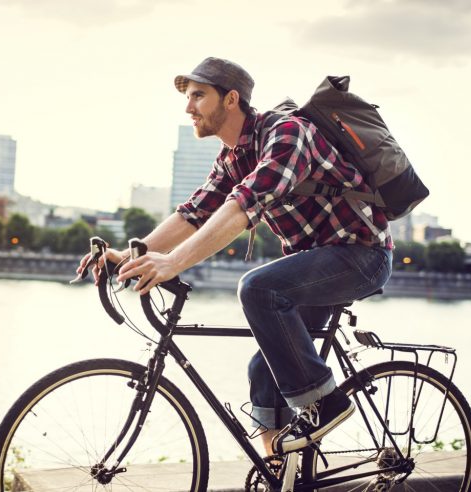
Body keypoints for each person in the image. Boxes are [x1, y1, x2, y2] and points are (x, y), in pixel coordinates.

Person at [76, 57, 393, 457]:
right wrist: (129, 255)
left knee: (258, 288)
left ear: (231, 100)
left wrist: (173, 263)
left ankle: (327, 403)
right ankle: (279, 468)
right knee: (265, 370)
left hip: (360, 257)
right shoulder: (232, 157)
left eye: (198, 96)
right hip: (315, 265)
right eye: (187, 97)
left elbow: (243, 206)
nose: (188, 107)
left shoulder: (288, 133)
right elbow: (193, 213)